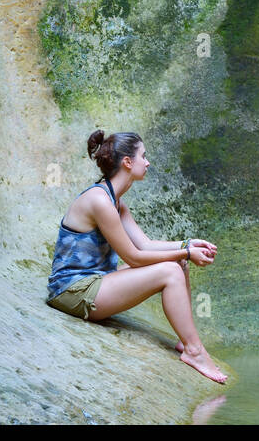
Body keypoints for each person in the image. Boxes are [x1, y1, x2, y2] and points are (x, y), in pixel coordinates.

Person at [46, 129, 227, 384]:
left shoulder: (115, 202)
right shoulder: (99, 201)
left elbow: (146, 244)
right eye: (143, 156)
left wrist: (187, 245)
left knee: (177, 263)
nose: (148, 162)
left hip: (96, 280)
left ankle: (185, 339)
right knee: (170, 270)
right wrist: (186, 251)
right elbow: (133, 257)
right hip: (72, 292)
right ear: (127, 162)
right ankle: (194, 351)